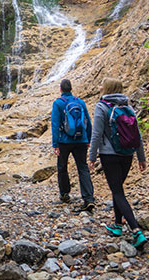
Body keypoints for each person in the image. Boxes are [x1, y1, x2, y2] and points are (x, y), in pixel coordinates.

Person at [88, 77, 148, 249]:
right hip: (127, 154)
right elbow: (138, 134)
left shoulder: (102, 106)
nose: (99, 86)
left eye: (102, 84)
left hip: (109, 155)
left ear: (107, 88)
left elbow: (97, 134)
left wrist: (92, 156)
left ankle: (136, 230)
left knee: (117, 191)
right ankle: (117, 226)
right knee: (118, 189)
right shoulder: (127, 106)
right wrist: (141, 157)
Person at [51, 78, 94, 211]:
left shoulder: (58, 103)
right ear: (71, 88)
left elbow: (55, 124)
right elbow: (87, 120)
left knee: (62, 167)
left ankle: (65, 195)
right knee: (83, 167)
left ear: (60, 89)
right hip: (81, 139)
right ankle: (88, 198)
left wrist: (55, 143)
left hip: (64, 141)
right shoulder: (80, 102)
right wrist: (88, 138)